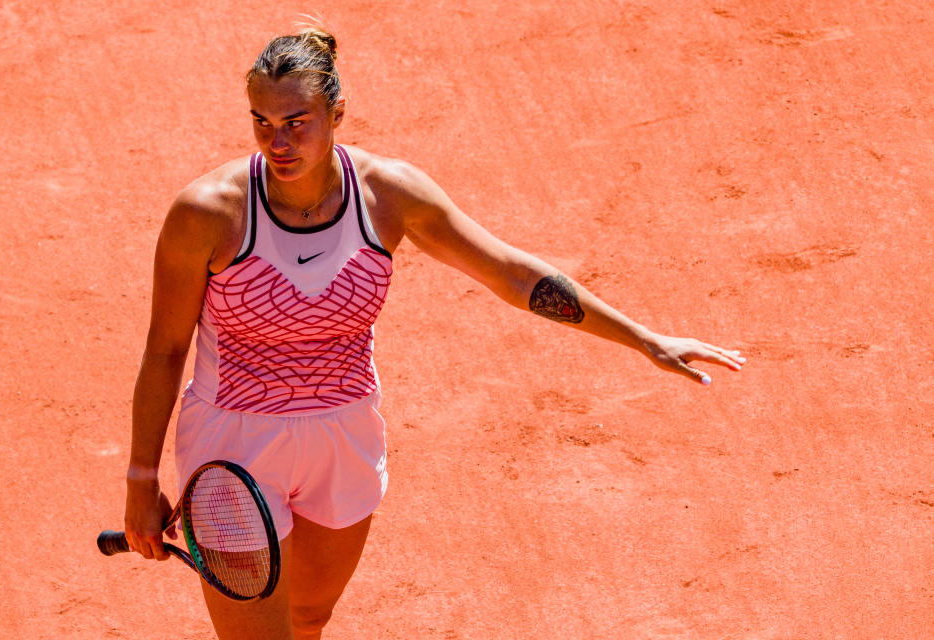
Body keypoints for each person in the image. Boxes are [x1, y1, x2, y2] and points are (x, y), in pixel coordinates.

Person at [123, 27, 747, 640]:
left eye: (297, 121)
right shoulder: (208, 212)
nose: (277, 141)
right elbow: (165, 348)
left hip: (344, 435)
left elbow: (507, 270)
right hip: (234, 445)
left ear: (337, 112)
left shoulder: (390, 195)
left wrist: (642, 337)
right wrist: (141, 482)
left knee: (309, 621)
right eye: (262, 121)